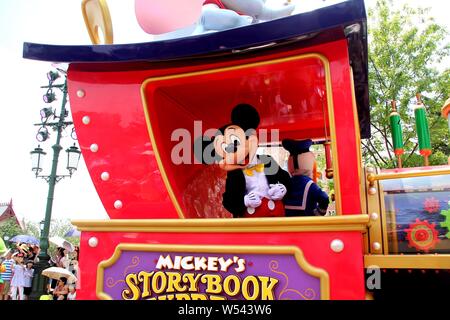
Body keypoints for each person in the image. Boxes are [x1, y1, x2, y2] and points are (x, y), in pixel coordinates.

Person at [282, 139, 330, 216]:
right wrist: (319, 212)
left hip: (288, 223)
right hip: (307, 223)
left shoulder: (287, 182)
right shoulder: (310, 185)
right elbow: (324, 198)